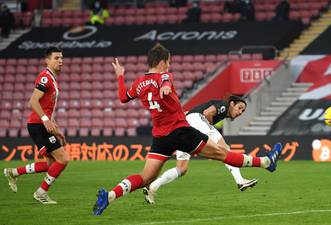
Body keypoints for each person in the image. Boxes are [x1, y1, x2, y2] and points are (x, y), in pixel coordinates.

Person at [92, 43, 282, 216]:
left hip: (160, 136)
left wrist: (120, 76)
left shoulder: (138, 83)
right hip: (180, 131)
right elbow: (165, 81)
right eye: (169, 62)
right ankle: (266, 162)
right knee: (223, 153)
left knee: (145, 177)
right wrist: (165, 88)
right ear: (162, 61)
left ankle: (109, 196)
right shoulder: (164, 76)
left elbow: (123, 97)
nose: (169, 65)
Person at [143, 96, 258, 204]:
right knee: (225, 149)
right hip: (197, 120)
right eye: (239, 108)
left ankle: (153, 186)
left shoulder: (221, 112)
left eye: (243, 111)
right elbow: (207, 113)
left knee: (181, 169)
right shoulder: (223, 106)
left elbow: (188, 113)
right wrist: (206, 130)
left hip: (185, 126)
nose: (240, 112)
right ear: (232, 104)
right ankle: (240, 180)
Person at [3, 47, 68, 204]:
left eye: (61, 58)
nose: (60, 61)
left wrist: (56, 129)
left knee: (50, 164)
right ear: (47, 60)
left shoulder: (52, 78)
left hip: (41, 124)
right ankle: (41, 193)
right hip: (38, 125)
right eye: (56, 58)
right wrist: (45, 120)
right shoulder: (45, 77)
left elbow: (46, 108)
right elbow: (33, 100)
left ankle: (14, 172)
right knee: (63, 159)